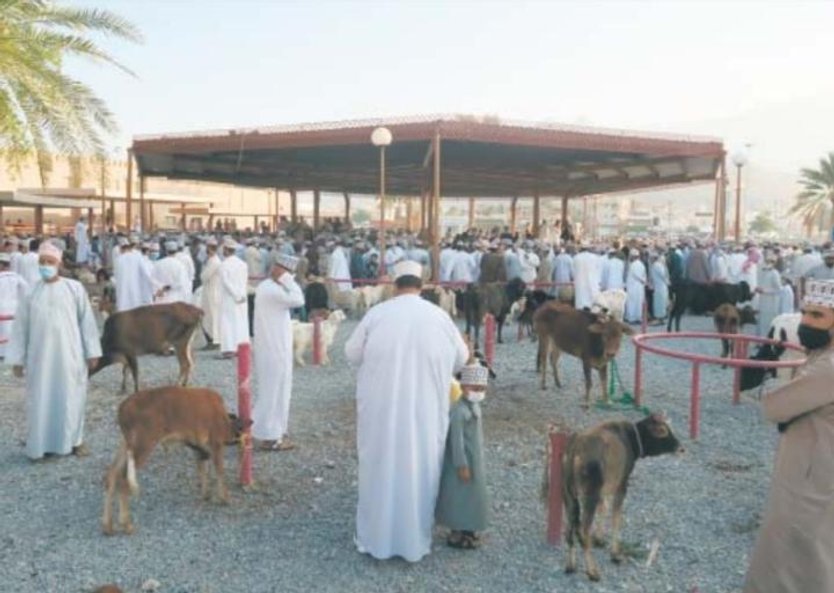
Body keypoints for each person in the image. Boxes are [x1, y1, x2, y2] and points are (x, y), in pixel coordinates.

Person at [345, 260, 469, 562]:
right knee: (420, 469)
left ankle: (375, 539)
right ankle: (414, 541)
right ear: (422, 285)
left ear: (394, 285)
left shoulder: (377, 314)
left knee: (379, 467)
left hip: (381, 413)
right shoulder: (439, 316)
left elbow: (351, 354)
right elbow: (462, 360)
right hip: (424, 413)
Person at [744, 279, 834, 592]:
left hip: (812, 474)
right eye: (806, 313)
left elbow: (775, 406)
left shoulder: (829, 366)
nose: (807, 322)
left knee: (801, 549)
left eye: (818, 316)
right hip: (814, 464)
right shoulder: (824, 355)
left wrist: (771, 390)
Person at [6, 241, 101, 460]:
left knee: (72, 397)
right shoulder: (31, 292)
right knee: (40, 400)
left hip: (70, 356)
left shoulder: (74, 288)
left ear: (59, 263)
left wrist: (92, 351)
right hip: (40, 359)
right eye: (42, 262)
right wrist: (18, 360)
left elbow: (86, 321)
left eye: (50, 262)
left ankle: (74, 442)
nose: (45, 266)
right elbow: (21, 327)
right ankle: (40, 446)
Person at [252, 252, 305, 451]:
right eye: (288, 273)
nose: (291, 277)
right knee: (274, 391)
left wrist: (283, 278)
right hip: (273, 350)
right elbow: (299, 300)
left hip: (276, 347)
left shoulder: (271, 288)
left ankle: (268, 429)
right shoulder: (271, 289)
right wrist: (285, 278)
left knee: (278, 390)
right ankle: (270, 437)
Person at [436, 363, 490, 550]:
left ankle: (469, 528)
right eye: (475, 388)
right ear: (464, 387)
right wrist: (461, 465)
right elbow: (456, 441)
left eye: (481, 388)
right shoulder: (459, 410)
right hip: (463, 463)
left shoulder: (473, 406)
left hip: (475, 460)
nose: (478, 392)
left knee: (473, 496)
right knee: (458, 496)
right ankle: (457, 532)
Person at [218, 238, 249, 359]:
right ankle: (240, 346)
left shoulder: (224, 265)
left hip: (229, 298)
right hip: (242, 297)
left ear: (226, 250)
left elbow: (226, 283)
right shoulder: (243, 264)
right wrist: (241, 295)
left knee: (228, 323)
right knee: (240, 322)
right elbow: (244, 281)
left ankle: (229, 348)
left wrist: (236, 295)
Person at [0, 252, 28, 359]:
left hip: (1, 308)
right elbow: (26, 291)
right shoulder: (17, 277)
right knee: (12, 331)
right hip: (14, 307)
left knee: (2, 331)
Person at [199, 239, 222, 350]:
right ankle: (211, 339)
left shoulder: (214, 261)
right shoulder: (210, 260)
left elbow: (204, 277)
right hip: (208, 291)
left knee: (211, 317)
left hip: (212, 292)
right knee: (208, 316)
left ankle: (214, 340)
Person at [624, 249, 647, 323]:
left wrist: (643, 281)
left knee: (632, 302)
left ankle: (632, 318)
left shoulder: (634, 265)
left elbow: (638, 276)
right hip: (638, 287)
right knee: (638, 302)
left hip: (634, 287)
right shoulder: (640, 264)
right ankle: (638, 317)